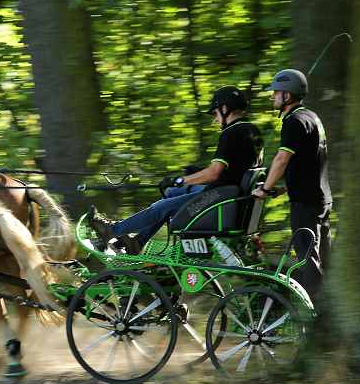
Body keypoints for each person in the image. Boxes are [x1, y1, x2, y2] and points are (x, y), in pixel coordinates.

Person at [89, 86, 264, 254]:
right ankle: (137, 242)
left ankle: (112, 230)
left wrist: (181, 180)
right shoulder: (252, 131)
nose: (216, 119)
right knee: (173, 192)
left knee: (161, 208)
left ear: (224, 109)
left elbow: (213, 173)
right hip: (232, 196)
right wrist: (197, 172)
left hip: (219, 198)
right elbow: (238, 169)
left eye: (215, 113)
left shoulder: (231, 133)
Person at [253, 69, 332, 298]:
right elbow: (310, 161)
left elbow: (281, 159)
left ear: (287, 96)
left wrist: (265, 188)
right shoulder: (312, 117)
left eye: (276, 93)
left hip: (305, 204)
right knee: (326, 261)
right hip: (322, 199)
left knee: (309, 263)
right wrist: (285, 188)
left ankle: (316, 323)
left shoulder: (293, 120)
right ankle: (330, 312)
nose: (272, 97)